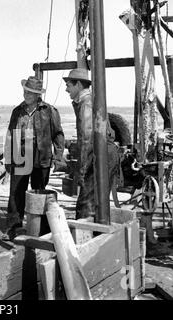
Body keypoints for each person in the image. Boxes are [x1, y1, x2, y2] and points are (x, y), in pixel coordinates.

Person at [4, 76, 65, 239]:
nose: (26, 94)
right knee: (16, 193)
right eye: (25, 91)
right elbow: (10, 135)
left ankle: (42, 228)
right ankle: (14, 227)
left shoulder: (49, 111)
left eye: (30, 92)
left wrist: (58, 156)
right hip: (20, 155)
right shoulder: (17, 111)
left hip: (42, 156)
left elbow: (58, 134)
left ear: (38, 94)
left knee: (40, 193)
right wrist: (8, 158)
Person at [63, 68, 119, 219]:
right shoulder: (91, 100)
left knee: (86, 203)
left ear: (79, 85)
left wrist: (81, 169)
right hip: (106, 151)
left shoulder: (86, 103)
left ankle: (84, 239)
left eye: (69, 85)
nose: (66, 89)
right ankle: (96, 235)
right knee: (99, 201)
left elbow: (87, 137)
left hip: (99, 153)